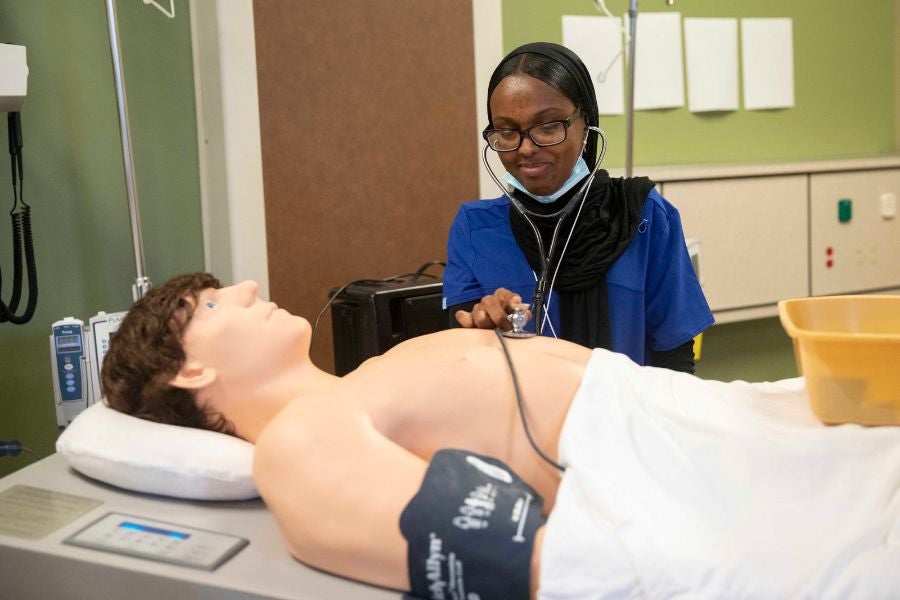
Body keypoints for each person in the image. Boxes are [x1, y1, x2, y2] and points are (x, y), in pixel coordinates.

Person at [103, 273, 900, 600]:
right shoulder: (299, 445)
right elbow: (540, 561)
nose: (244, 288)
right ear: (188, 374)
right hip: (682, 472)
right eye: (210, 309)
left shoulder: (348, 395)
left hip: (695, 425)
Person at [444, 42, 713, 373]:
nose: (526, 148)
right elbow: (459, 356)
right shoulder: (474, 229)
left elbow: (675, 360)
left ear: (584, 123)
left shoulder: (643, 216)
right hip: (517, 421)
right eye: (508, 131)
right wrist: (482, 327)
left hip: (625, 418)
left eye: (548, 126)